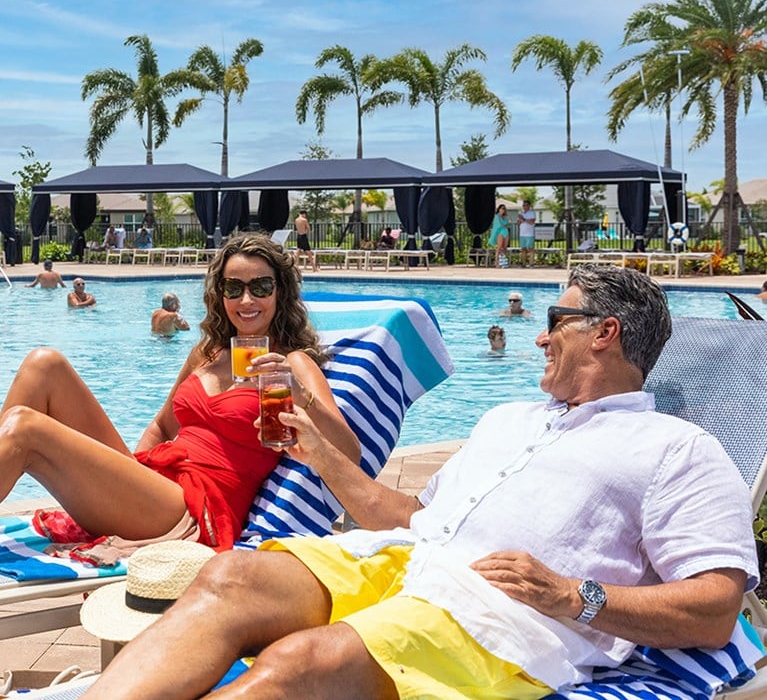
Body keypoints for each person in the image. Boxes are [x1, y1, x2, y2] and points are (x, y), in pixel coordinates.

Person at [78, 265, 757, 700]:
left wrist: (569, 594)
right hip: (404, 559)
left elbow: (715, 608)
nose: (538, 339)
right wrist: (314, 449)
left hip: (498, 616)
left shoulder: (675, 447)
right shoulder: (509, 417)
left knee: (301, 663)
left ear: (604, 332)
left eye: (554, 322)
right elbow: (403, 514)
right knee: (232, 574)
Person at [0, 233, 359, 557]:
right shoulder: (207, 353)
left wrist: (297, 392)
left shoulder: (292, 362)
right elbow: (161, 425)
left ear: (279, 293)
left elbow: (351, 454)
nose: (246, 299)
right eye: (234, 288)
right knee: (43, 364)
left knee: (24, 429)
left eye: (261, 287)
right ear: (220, 295)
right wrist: (128, 476)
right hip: (154, 486)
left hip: (193, 508)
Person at [517, 200, 537, 268]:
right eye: (523, 205)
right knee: (523, 249)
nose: (524, 207)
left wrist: (523, 219)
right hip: (522, 233)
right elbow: (518, 223)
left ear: (529, 206)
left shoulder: (532, 212)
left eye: (526, 205)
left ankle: (531, 264)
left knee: (531, 249)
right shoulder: (520, 212)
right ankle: (523, 264)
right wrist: (519, 220)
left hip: (529, 234)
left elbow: (532, 222)